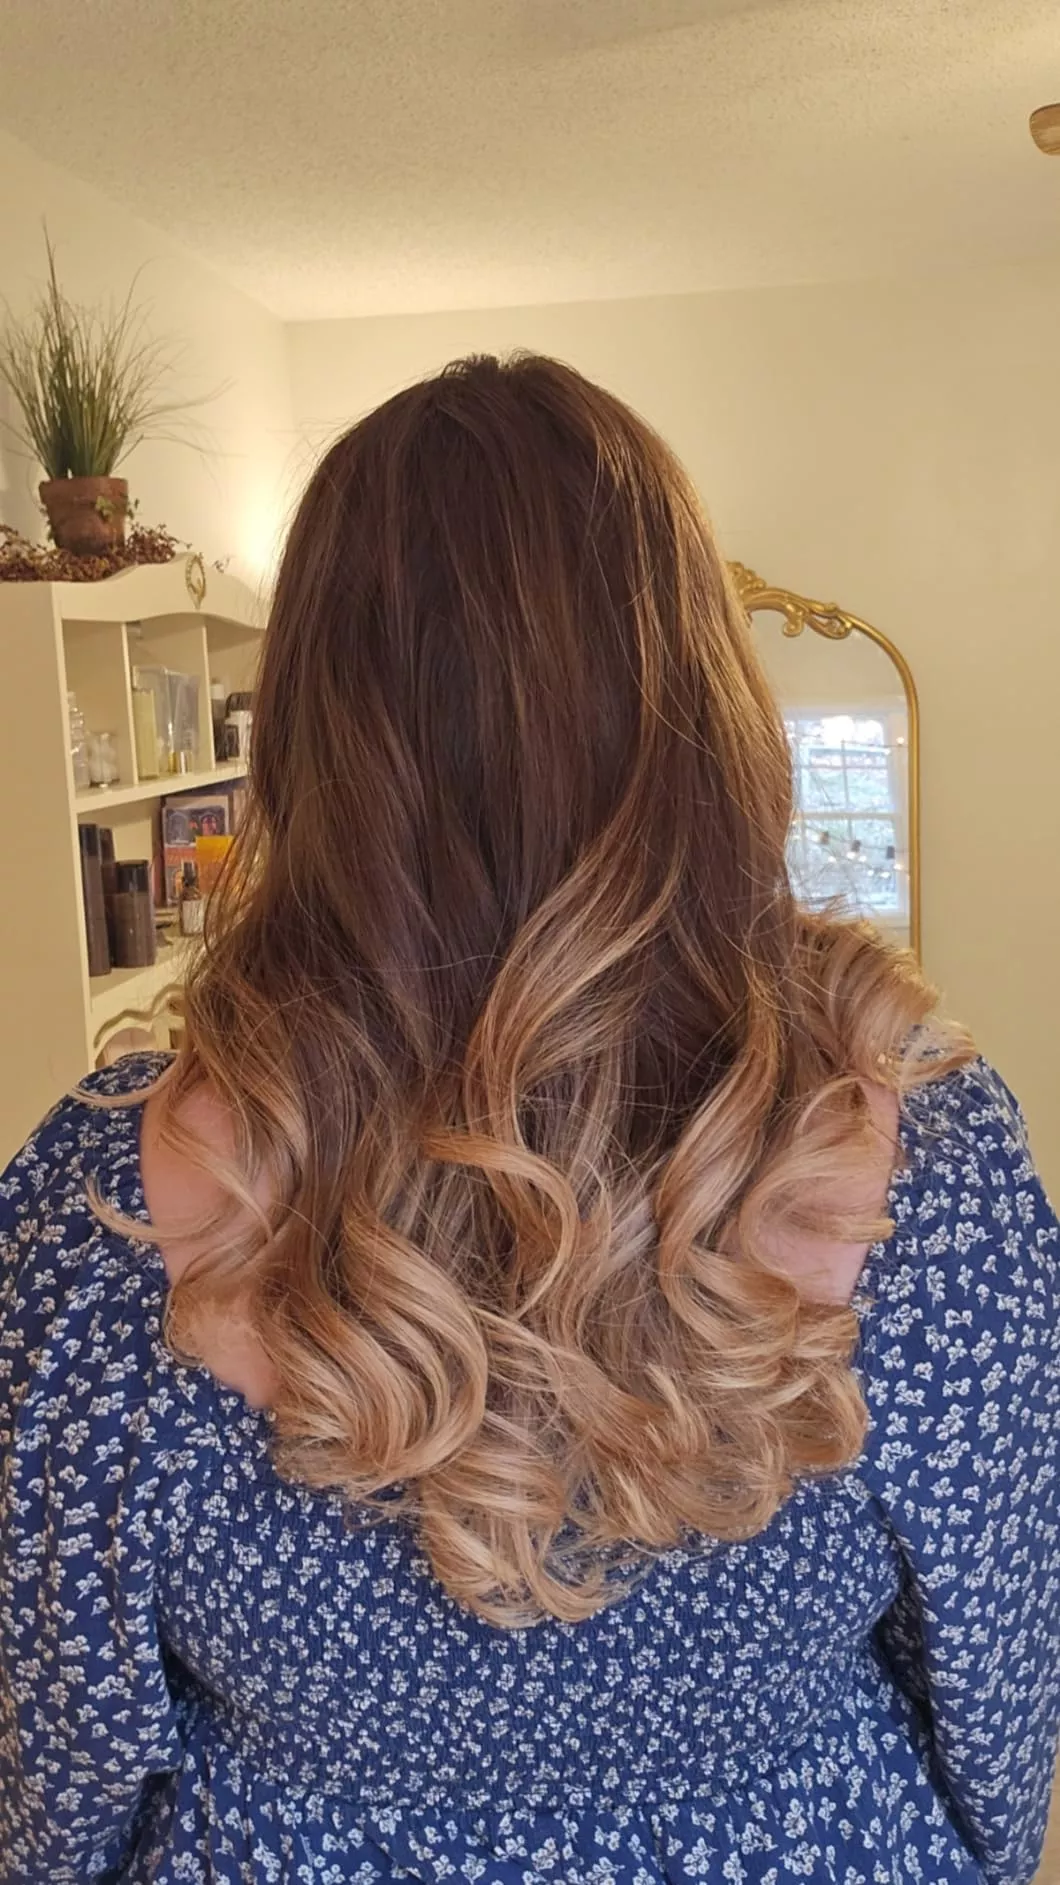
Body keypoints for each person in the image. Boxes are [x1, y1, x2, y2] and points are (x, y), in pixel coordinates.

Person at [0, 354, 1056, 1885]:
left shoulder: (100, 1203)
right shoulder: (928, 1168)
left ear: (305, 732)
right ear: (707, 706)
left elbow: (62, 1769)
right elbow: (996, 1693)